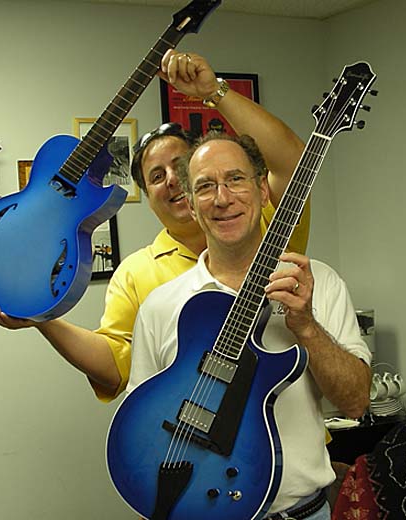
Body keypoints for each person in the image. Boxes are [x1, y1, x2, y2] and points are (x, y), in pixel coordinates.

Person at [0, 49, 309, 402]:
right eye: (156, 176)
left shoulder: (266, 221)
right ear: (148, 197)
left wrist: (214, 92)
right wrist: (41, 320)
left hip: (295, 448)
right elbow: (115, 366)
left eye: (180, 167)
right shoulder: (136, 274)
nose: (172, 180)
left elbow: (293, 160)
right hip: (204, 450)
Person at [126, 132, 372, 519]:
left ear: (262, 189)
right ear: (190, 204)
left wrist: (306, 325)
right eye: (206, 186)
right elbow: (139, 429)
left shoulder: (318, 283)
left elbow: (356, 403)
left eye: (236, 179)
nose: (223, 198)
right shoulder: (160, 307)